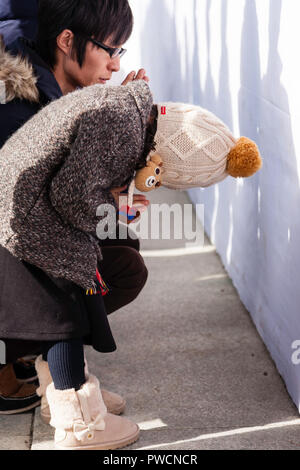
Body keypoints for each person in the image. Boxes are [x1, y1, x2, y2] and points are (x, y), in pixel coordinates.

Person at [0, 0, 150, 428]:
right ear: (67, 41)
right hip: (13, 248)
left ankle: (48, 373)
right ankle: (74, 411)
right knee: (69, 266)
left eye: (122, 51)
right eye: (110, 50)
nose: (116, 64)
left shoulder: (48, 76)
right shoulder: (14, 97)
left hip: (21, 235)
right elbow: (50, 203)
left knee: (120, 254)